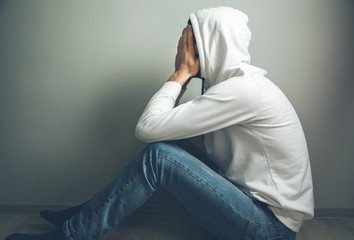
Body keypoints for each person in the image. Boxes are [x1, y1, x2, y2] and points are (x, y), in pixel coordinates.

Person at [6, 6, 314, 240]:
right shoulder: (233, 86)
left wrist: (180, 73)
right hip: (256, 210)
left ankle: (75, 232)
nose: (182, 49)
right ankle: (89, 213)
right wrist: (186, 76)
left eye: (189, 42)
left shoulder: (242, 91)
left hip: (270, 227)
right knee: (168, 146)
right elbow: (162, 129)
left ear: (210, 44)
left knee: (160, 156)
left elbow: (147, 128)